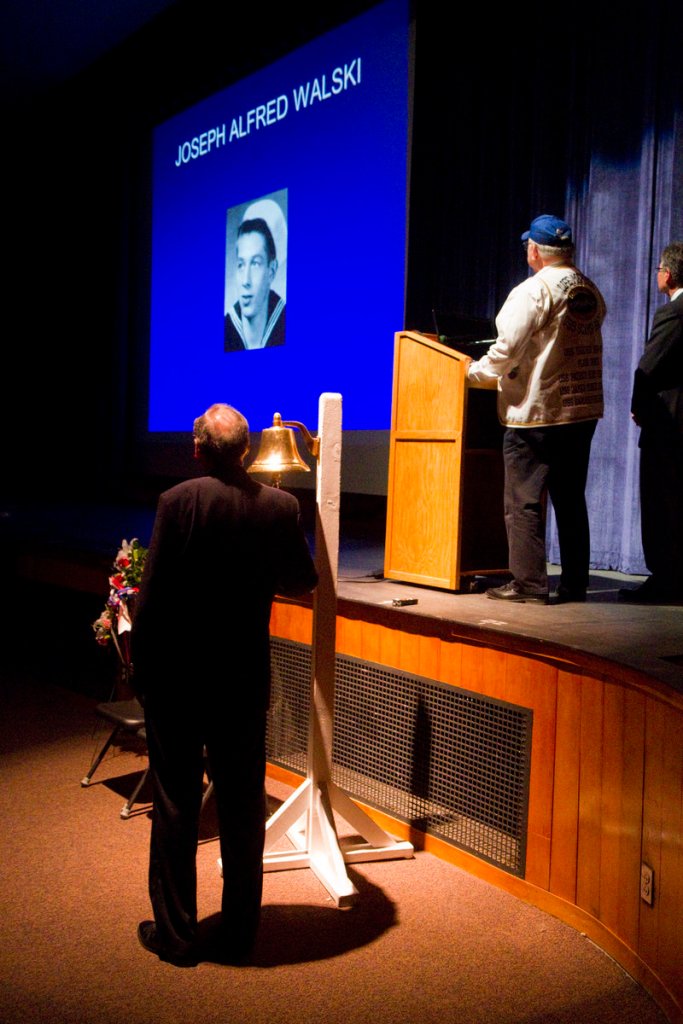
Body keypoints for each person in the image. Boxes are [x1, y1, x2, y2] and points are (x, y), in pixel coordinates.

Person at [131, 403, 317, 965]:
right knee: (241, 810)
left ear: (196, 448)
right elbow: (302, 583)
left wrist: (140, 670)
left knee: (176, 805)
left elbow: (153, 599)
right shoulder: (282, 507)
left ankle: (179, 938)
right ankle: (240, 935)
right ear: (245, 451)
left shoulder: (177, 503)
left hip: (177, 682)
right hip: (242, 681)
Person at [467, 214, 606, 604]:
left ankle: (528, 585)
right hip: (581, 410)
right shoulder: (589, 288)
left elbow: (506, 348)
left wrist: (473, 372)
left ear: (535, 251)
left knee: (523, 500)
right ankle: (575, 583)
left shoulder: (533, 290)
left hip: (538, 411)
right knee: (570, 499)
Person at [620, 242, 683, 603]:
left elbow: (648, 367)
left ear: (668, 274)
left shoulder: (673, 313)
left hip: (668, 422)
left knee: (662, 502)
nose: (657, 273)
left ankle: (664, 581)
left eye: (659, 267)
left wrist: (638, 406)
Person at [224, 218, 286, 351]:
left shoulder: (286, 322)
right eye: (241, 265)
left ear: (272, 270)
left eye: (255, 264)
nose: (246, 281)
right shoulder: (226, 328)